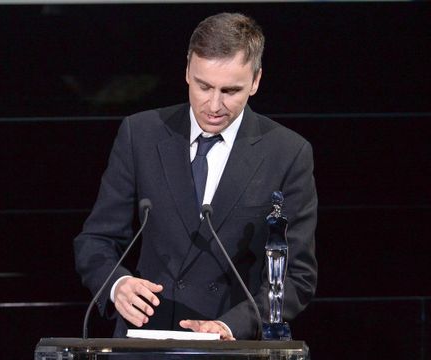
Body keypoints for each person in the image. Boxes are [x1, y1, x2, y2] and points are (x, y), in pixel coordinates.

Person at [74, 13, 317, 340]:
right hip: (149, 338)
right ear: (188, 70)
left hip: (234, 346)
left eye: (230, 90)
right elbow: (96, 241)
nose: (214, 105)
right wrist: (117, 284)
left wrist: (233, 325)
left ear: (256, 81)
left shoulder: (287, 153)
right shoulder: (141, 134)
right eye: (204, 86)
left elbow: (296, 277)